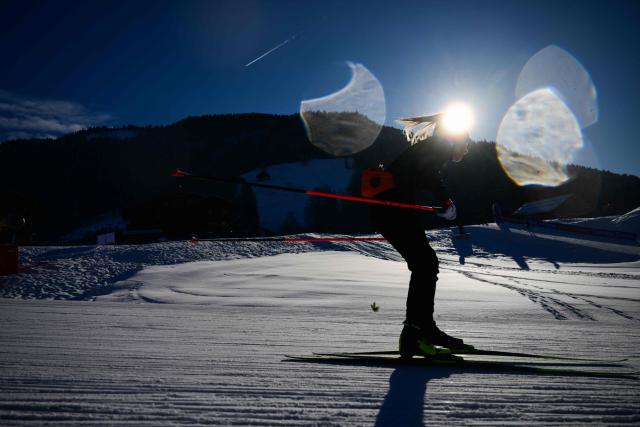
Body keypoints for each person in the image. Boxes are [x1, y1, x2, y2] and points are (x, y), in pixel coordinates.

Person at [366, 113, 472, 358]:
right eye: (466, 145)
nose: (466, 151)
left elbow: (424, 173)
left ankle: (423, 330)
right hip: (391, 211)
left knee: (425, 264)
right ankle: (416, 334)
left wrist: (443, 201)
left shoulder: (434, 148)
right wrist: (445, 201)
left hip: (390, 210)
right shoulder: (440, 146)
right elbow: (428, 174)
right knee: (425, 264)